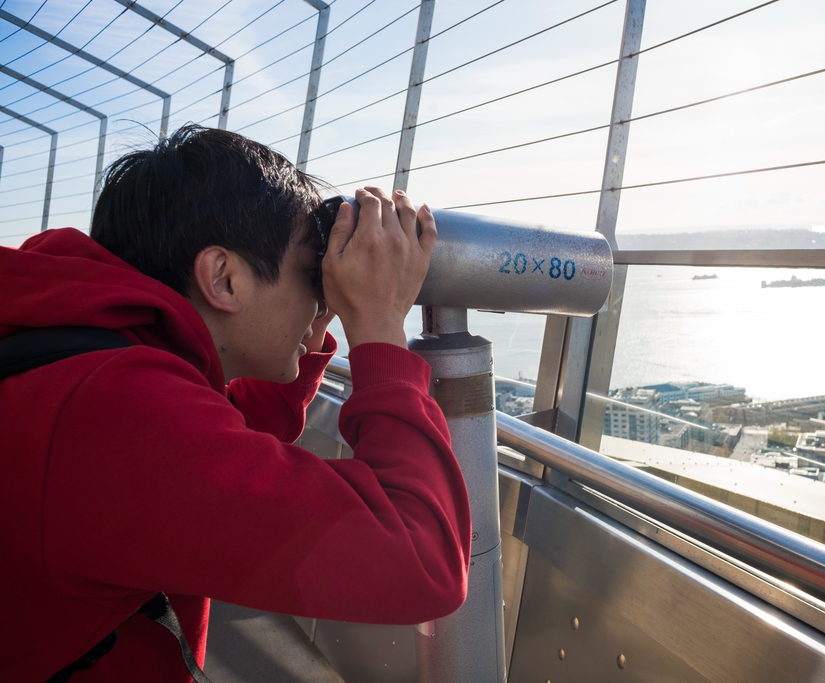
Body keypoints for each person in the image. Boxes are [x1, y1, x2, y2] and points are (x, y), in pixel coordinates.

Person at [0, 124, 472, 681]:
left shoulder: (92, 341)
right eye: (310, 273)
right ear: (221, 277)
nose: (321, 292)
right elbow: (419, 560)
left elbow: (234, 434)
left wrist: (319, 314)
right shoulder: (113, 415)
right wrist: (380, 323)